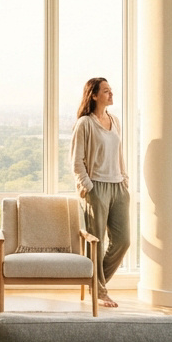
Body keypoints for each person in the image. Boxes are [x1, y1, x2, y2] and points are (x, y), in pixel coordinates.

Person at [69, 77, 129, 308]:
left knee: (123, 241)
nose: (111, 94)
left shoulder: (114, 120)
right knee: (97, 241)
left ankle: (94, 283)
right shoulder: (85, 123)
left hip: (118, 187)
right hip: (96, 186)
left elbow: (119, 154)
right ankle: (99, 290)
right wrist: (88, 186)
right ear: (94, 95)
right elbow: (76, 162)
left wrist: (124, 179)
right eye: (106, 91)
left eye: (111, 90)